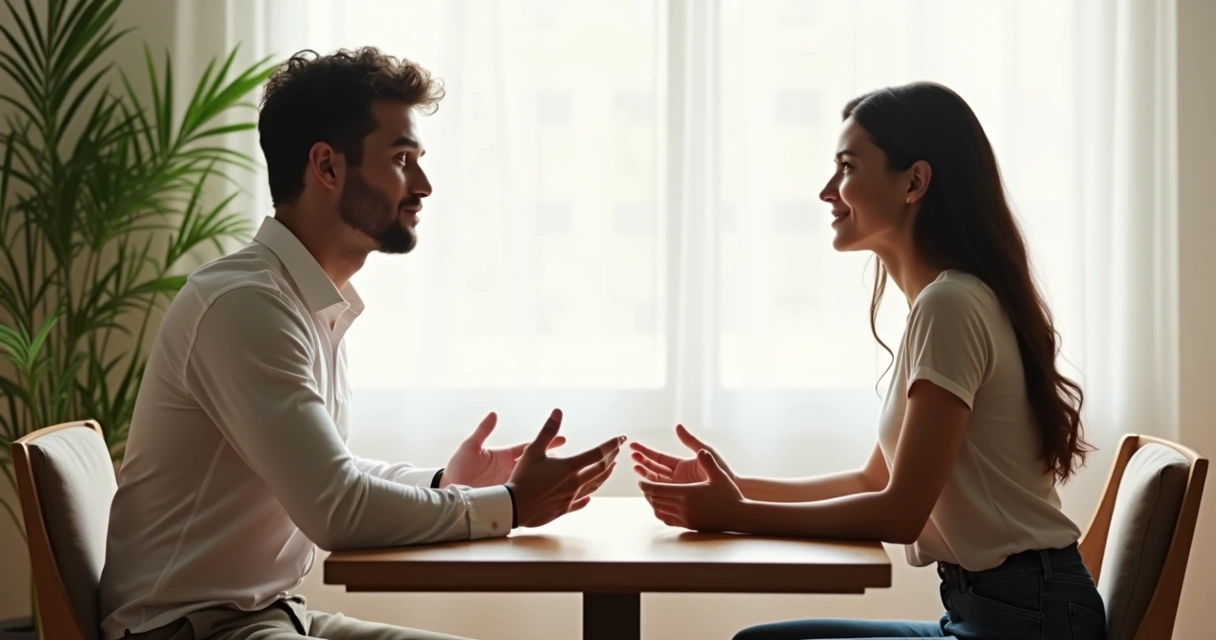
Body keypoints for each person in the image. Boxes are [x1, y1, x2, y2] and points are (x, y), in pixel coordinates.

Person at [98, 47, 623, 640]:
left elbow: (326, 472)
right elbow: (337, 509)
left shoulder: (303, 299)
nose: (423, 185)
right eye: (402, 159)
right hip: (187, 630)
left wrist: (444, 481)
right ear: (327, 166)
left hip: (264, 617)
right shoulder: (245, 306)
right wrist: (511, 504)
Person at [629, 82, 1107, 640]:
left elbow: (898, 514)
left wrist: (734, 513)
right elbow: (872, 479)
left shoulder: (950, 304)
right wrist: (737, 487)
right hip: (1005, 610)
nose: (827, 191)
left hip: (1030, 621)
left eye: (847, 167)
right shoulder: (946, 301)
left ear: (914, 182)